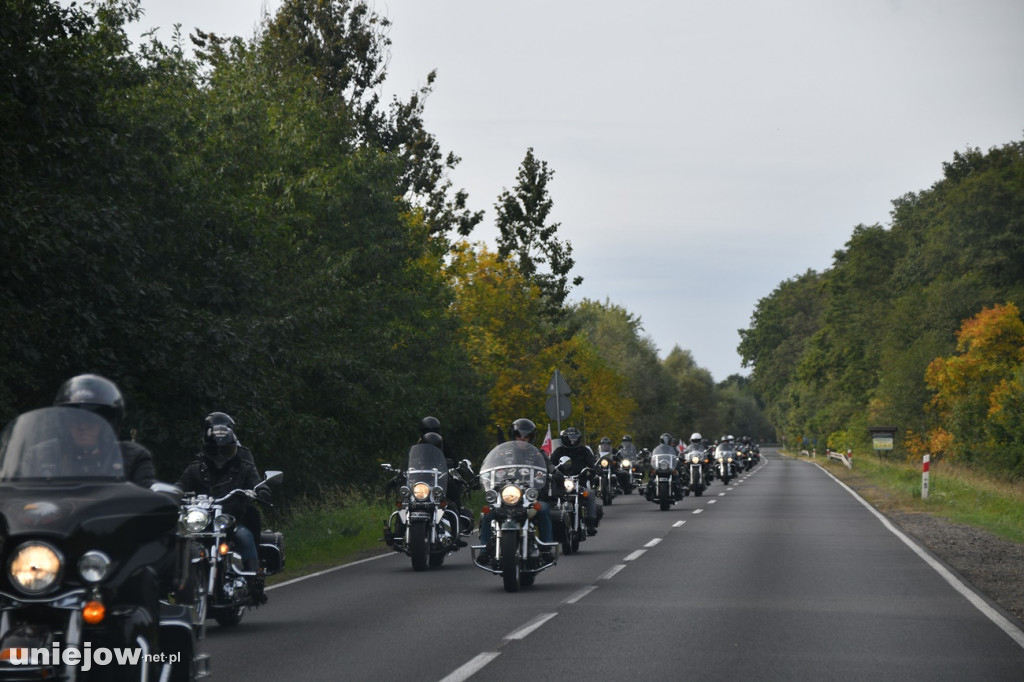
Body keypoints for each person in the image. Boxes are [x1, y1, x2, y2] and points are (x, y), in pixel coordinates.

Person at [177, 416, 270, 604]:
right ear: (207, 449)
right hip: (202, 523)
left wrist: (261, 490)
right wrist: (172, 493)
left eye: (226, 450)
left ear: (234, 448)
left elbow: (256, 481)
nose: (220, 456)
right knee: (179, 541)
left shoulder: (244, 467)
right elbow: (180, 484)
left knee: (245, 537)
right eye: (215, 451)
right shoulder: (195, 469)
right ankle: (176, 584)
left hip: (231, 521)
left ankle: (254, 583)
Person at [53, 374, 156, 487]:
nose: (83, 426)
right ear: (64, 423)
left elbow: (148, 494)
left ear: (108, 424)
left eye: (92, 419)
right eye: (75, 419)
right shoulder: (43, 455)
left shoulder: (133, 457)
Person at [478, 418, 554, 563]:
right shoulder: (502, 453)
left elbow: (549, 465)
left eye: (526, 436)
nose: (522, 439)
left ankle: (546, 548)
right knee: (487, 513)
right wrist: (483, 475)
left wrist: (554, 472)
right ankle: (484, 551)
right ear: (513, 436)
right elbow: (490, 466)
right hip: (506, 496)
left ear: (531, 438)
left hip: (529, 497)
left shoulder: (538, 454)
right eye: (519, 436)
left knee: (543, 509)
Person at [550, 426, 599, 535]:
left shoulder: (584, 451)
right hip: (561, 483)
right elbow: (551, 464)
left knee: (590, 494)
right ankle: (551, 524)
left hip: (579, 483)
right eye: (570, 438)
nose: (573, 441)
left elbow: (592, 462)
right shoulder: (559, 451)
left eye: (575, 438)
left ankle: (591, 522)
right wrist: (551, 471)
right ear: (565, 438)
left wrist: (596, 468)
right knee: (551, 497)